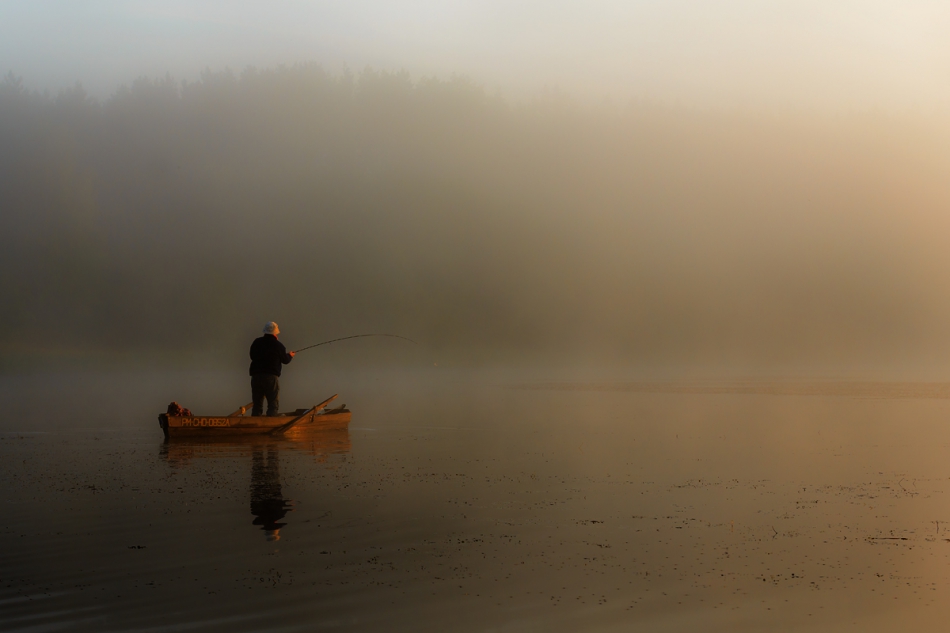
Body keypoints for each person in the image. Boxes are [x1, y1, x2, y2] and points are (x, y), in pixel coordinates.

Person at [249, 322, 295, 416]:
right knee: (273, 404)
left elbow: (252, 356)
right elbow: (285, 360)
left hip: (256, 376)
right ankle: (271, 423)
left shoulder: (256, 342)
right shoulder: (279, 345)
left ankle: (255, 424)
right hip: (271, 377)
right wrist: (290, 355)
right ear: (275, 333)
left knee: (257, 404)